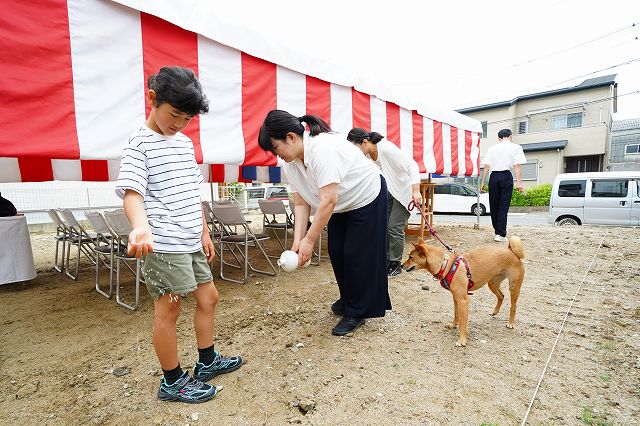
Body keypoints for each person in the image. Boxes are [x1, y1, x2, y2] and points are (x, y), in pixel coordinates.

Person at [115, 66, 242, 404]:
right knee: (169, 310)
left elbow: (191, 190)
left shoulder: (184, 143)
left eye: (187, 118)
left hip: (190, 240)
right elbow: (132, 193)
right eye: (174, 115)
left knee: (209, 297)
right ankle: (172, 381)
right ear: (152, 99)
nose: (179, 124)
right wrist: (140, 226)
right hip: (165, 243)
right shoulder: (138, 145)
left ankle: (207, 361)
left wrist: (203, 232)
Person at [258, 110, 391, 336]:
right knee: (337, 250)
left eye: (275, 148)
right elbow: (301, 204)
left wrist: (310, 240)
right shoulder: (290, 165)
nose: (276, 155)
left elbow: (328, 199)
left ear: (291, 137)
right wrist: (298, 241)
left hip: (367, 194)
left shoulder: (321, 148)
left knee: (355, 253)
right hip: (341, 203)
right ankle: (349, 298)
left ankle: (357, 311)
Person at [346, 128, 421, 278]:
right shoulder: (367, 156)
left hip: (404, 193)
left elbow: (412, 165)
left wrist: (416, 191)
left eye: (355, 148)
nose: (354, 152)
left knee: (394, 226)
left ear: (365, 142)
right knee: (383, 225)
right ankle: (386, 260)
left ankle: (395, 263)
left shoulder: (386, 149)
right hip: (389, 192)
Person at [480, 128, 527, 242]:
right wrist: (519, 183)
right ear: (510, 136)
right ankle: (500, 234)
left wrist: (482, 182)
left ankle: (497, 231)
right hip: (506, 177)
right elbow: (517, 166)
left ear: (499, 138)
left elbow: (486, 166)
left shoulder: (492, 149)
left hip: (494, 177)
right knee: (503, 206)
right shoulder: (516, 147)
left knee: (494, 205)